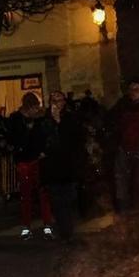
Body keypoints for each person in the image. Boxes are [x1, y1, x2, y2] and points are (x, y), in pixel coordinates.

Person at [40, 96, 88, 241]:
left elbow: (76, 140)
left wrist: (60, 123)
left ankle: (68, 229)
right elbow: (41, 139)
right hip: (52, 168)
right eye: (53, 100)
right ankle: (64, 230)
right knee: (56, 201)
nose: (56, 104)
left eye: (59, 100)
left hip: (68, 166)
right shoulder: (44, 121)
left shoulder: (71, 120)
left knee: (67, 199)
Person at [7, 92, 54, 239]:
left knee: (43, 194)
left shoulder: (40, 119)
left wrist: (44, 151)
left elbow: (46, 136)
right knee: (26, 196)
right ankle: (26, 227)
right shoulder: (16, 119)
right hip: (24, 160)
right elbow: (14, 138)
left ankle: (47, 226)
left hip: (37, 159)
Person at [107, 80, 139, 215]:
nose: (133, 93)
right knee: (121, 179)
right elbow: (111, 120)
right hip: (123, 148)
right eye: (131, 90)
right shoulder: (122, 106)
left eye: (136, 89)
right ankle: (123, 208)